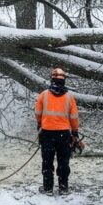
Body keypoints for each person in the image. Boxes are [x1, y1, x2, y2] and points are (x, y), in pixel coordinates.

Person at [35, 67, 80, 195]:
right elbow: (74, 117)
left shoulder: (43, 95)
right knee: (63, 162)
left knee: (47, 161)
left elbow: (37, 113)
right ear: (64, 81)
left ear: (52, 80)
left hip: (47, 133)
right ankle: (63, 187)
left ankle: (48, 188)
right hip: (64, 134)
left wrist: (40, 123)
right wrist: (75, 131)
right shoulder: (69, 97)